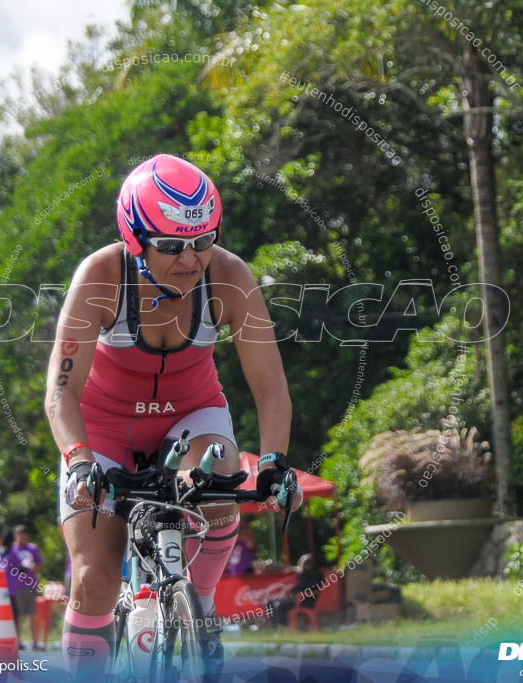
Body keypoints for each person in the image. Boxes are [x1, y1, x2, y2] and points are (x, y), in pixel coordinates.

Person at [45, 154, 302, 680]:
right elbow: (59, 392)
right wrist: (77, 461)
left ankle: (199, 605)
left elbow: (271, 386)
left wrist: (274, 463)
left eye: (203, 240)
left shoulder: (228, 276)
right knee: (93, 578)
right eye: (170, 246)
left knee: (225, 477)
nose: (191, 259)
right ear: (134, 237)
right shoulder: (99, 276)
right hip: (105, 427)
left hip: (191, 418)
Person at [6, 524, 45, 651]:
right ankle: (17, 641)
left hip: (31, 585)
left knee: (32, 614)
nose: (22, 537)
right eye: (19, 535)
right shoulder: (11, 550)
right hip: (16, 587)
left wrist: (34, 566)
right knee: (18, 615)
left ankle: (35, 642)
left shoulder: (32, 548)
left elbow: (41, 564)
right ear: (16, 536)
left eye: (24, 535)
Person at [268, 553, 325, 630]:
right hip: (297, 598)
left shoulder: (316, 574)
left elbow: (308, 587)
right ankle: (275, 626)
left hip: (306, 600)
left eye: (303, 563)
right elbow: (299, 586)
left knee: (278, 605)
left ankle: (284, 626)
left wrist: (296, 593)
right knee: (270, 604)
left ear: (309, 564)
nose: (301, 565)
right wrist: (291, 592)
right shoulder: (305, 573)